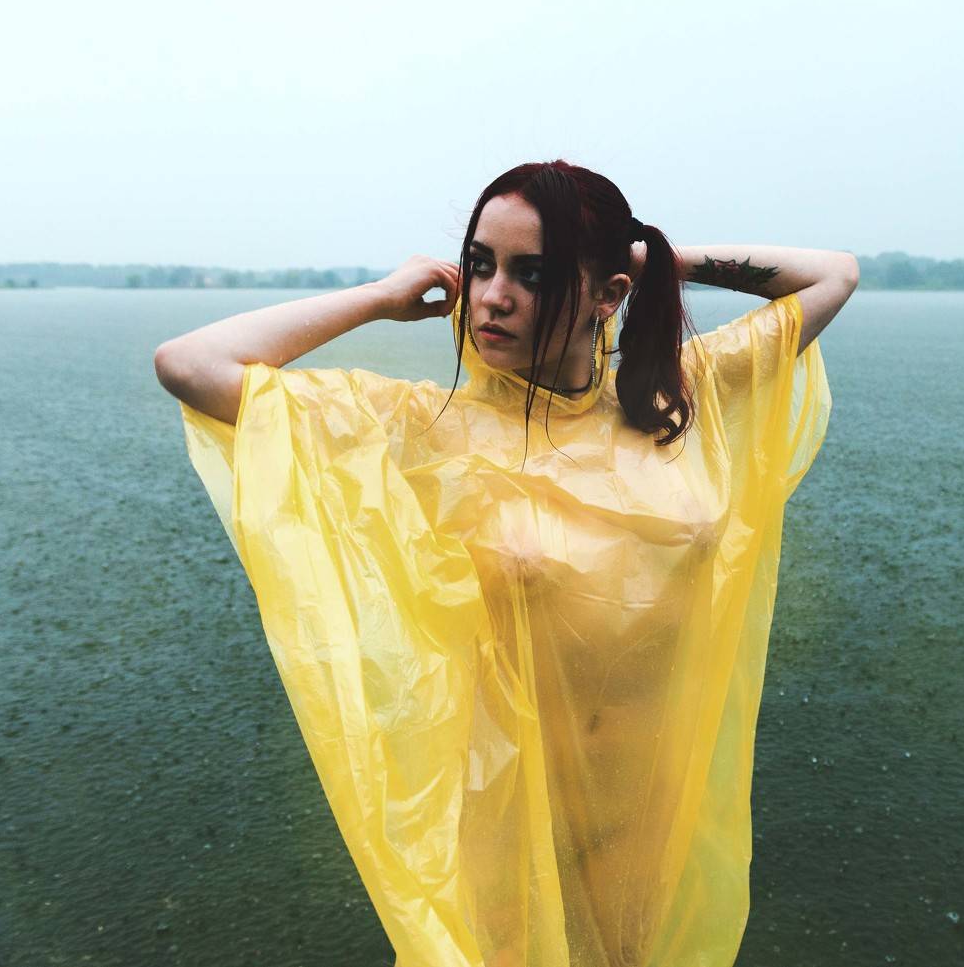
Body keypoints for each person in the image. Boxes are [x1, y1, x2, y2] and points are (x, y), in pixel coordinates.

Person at [154, 159, 855, 967]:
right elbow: (190, 364)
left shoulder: (677, 400)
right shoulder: (427, 430)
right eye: (481, 264)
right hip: (510, 837)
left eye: (534, 273)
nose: (492, 295)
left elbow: (833, 275)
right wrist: (380, 298)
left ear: (607, 295)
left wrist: (651, 259)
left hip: (649, 826)